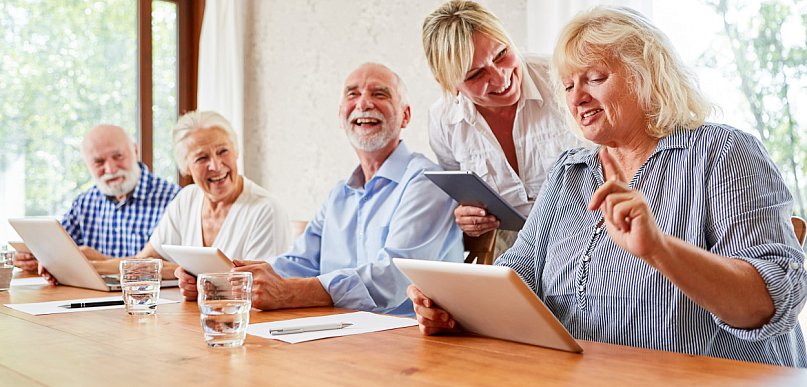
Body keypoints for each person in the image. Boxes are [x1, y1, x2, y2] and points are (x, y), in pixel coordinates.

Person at [409, 6, 807, 367]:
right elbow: (517, 277)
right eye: (567, 86)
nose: (577, 98)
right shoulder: (571, 172)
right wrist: (454, 307)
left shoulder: (722, 153)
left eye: (595, 79)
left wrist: (660, 249)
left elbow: (770, 304)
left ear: (647, 74)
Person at [176, 63, 464, 316]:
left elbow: (394, 277)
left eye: (380, 94)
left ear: (405, 116)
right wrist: (222, 282)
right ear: (341, 116)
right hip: (339, 334)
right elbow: (297, 262)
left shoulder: (428, 180)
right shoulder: (340, 194)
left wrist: (290, 293)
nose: (364, 103)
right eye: (353, 94)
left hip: (409, 342)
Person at [422, 0, 583, 253]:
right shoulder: (443, 121)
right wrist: (468, 216)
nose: (500, 78)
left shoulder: (561, 78)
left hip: (585, 237)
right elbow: (462, 193)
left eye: (501, 54)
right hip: (510, 252)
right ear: (448, 83)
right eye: (475, 75)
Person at [84, 111, 291, 279]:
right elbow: (142, 263)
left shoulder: (265, 210)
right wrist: (93, 265)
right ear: (186, 167)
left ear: (236, 152)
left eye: (223, 151)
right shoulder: (187, 199)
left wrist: (186, 273)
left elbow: (258, 287)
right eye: (202, 157)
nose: (216, 166)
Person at [12, 124, 179, 272]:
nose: (111, 169)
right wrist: (36, 257)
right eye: (99, 162)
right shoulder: (85, 203)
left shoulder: (175, 200)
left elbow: (176, 267)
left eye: (118, 156)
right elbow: (57, 250)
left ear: (135, 152)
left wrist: (97, 260)